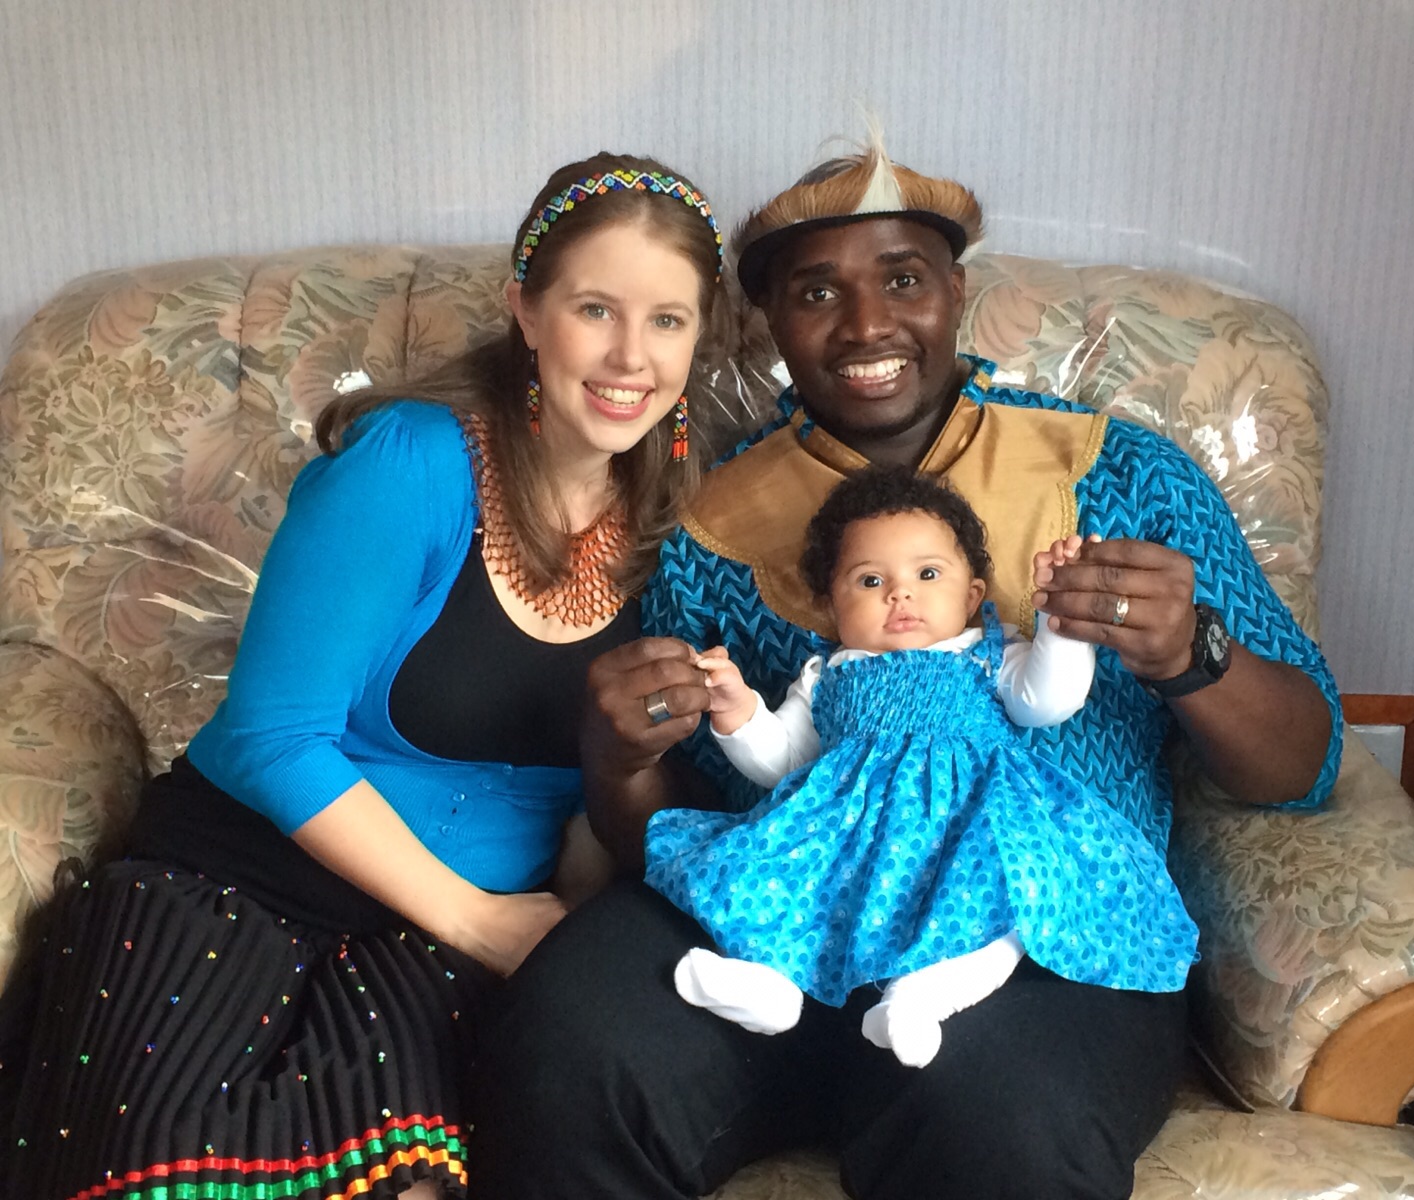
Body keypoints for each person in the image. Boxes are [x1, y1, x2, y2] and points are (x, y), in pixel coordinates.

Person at [470, 134, 1341, 1200]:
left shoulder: (1124, 474)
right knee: (567, 1047)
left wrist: (1189, 655)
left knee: (999, 1122)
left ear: (956, 294)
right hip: (783, 909)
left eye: (903, 280)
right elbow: (676, 821)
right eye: (816, 292)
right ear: (768, 322)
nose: (866, 325)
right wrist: (616, 760)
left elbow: (1302, 763)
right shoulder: (706, 524)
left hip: (1037, 924)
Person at [0, 152, 725, 1200]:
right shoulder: (410, 462)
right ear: (526, 311)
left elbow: (588, 801)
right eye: (595, 309)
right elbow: (272, 736)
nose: (630, 356)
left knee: (404, 1185)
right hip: (239, 889)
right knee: (168, 1174)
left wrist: (559, 927)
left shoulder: (678, 531)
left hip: (433, 953)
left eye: (667, 320)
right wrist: (483, 922)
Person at [646, 463, 1196, 1069]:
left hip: (970, 822)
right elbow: (784, 762)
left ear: (972, 596)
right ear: (831, 605)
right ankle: (770, 986)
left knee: (1008, 897)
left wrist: (1059, 622)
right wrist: (737, 710)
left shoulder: (988, 653)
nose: (899, 594)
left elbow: (1048, 701)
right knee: (785, 878)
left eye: (927, 574)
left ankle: (922, 998)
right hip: (849, 837)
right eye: (870, 580)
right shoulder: (828, 674)